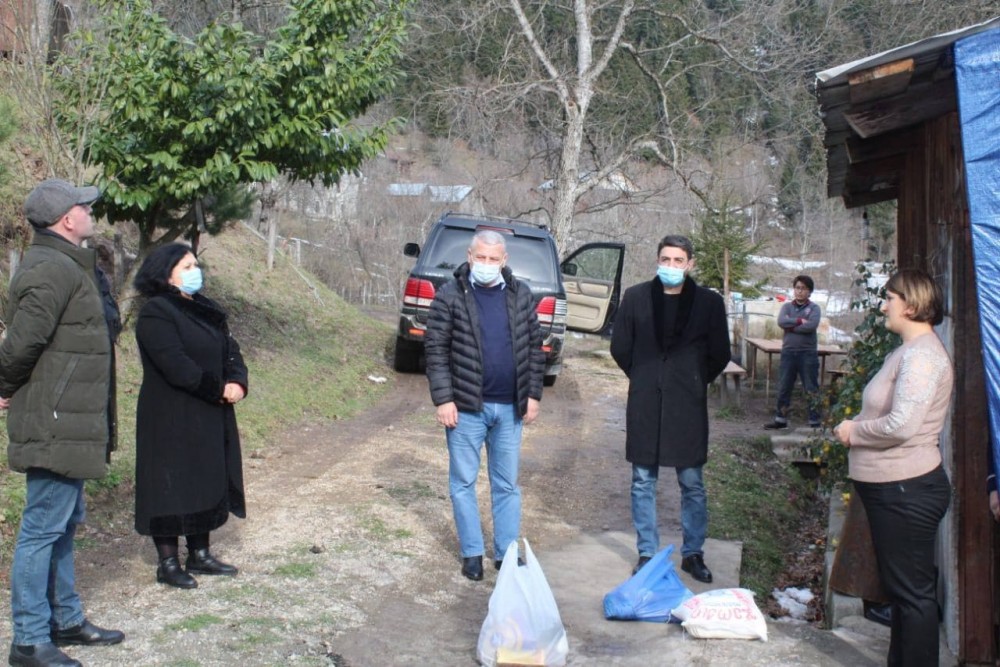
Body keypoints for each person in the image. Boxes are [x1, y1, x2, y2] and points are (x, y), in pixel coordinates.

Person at [0, 179, 125, 667]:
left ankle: (65, 620)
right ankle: (29, 640)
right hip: (54, 419)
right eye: (84, 206)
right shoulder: (50, 268)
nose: (91, 211)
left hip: (71, 419)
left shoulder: (69, 263)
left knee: (64, 522)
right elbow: (20, 344)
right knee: (42, 529)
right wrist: (4, 386)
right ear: (66, 219)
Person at [833, 268, 953, 667]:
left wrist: (854, 431)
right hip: (896, 490)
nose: (884, 307)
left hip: (907, 490)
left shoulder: (922, 357)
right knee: (903, 595)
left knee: (913, 596)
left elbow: (901, 425)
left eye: (890, 299)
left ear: (912, 306)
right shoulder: (908, 351)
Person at [424, 230, 544, 581]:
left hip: (509, 408)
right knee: (463, 483)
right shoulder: (450, 295)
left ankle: (506, 554)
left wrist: (533, 394)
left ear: (504, 260)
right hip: (465, 408)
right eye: (481, 257)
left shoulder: (521, 294)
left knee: (506, 485)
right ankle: (472, 553)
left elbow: (535, 347)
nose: (487, 264)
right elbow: (435, 349)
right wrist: (444, 399)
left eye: (494, 259)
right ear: (470, 256)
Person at [610, 235, 731, 582]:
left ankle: (693, 553)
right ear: (657, 260)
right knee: (642, 480)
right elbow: (620, 346)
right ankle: (647, 553)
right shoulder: (635, 297)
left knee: (692, 482)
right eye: (666, 259)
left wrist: (693, 379)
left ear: (690, 264)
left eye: (679, 260)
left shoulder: (708, 303)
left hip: (687, 403)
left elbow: (720, 352)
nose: (672, 266)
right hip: (645, 400)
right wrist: (645, 375)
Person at [132, 243, 248, 589]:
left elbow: (231, 351)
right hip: (169, 413)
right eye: (186, 266)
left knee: (204, 475)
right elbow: (175, 364)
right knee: (168, 482)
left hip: (209, 410)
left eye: (196, 265)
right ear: (166, 274)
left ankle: (200, 553)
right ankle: (168, 562)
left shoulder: (206, 309)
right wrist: (218, 389)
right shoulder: (156, 312)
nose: (195, 271)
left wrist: (237, 382)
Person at [764, 275, 822, 430]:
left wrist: (790, 327)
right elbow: (781, 322)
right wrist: (799, 321)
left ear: (809, 291)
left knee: (811, 388)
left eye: (803, 288)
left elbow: (811, 326)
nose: (800, 291)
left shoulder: (814, 308)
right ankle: (780, 420)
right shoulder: (787, 307)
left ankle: (815, 421)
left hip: (807, 354)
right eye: (797, 288)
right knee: (784, 387)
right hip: (788, 353)